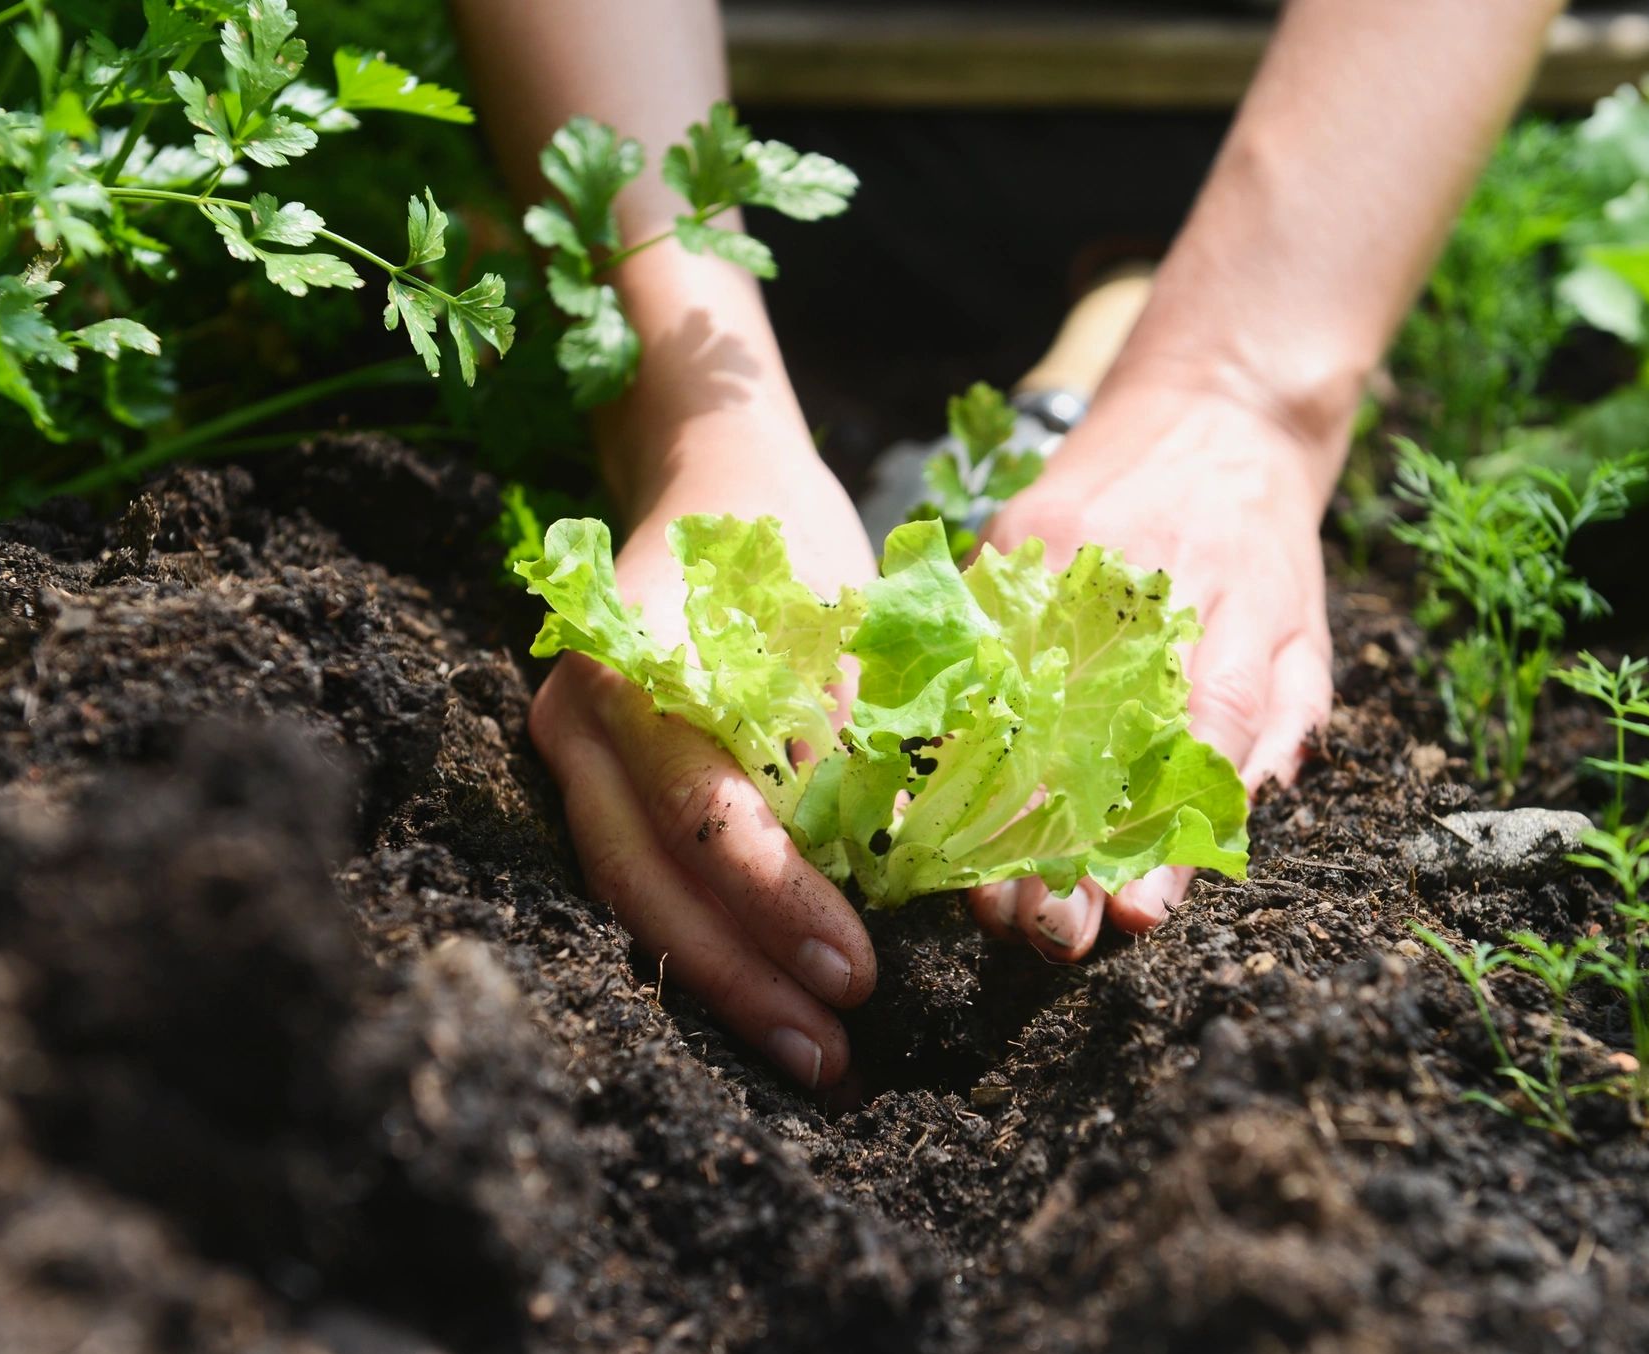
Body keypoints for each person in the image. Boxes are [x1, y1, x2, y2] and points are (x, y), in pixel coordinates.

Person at [451, 0, 1569, 1092]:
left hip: (1340, 131)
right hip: (785, 121)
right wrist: (694, 417)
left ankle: (1131, 318)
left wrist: (1246, 387)